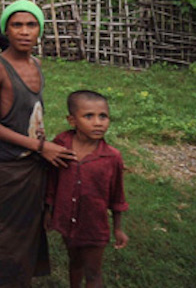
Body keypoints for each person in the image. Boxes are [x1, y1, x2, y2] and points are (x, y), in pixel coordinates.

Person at [0, 0, 76, 286]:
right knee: (4, 229)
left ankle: (21, 278)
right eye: (17, 25)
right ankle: (4, 280)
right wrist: (39, 147)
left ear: (40, 30)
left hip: (33, 163)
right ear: (6, 30)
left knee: (29, 225)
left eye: (31, 24)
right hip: (6, 164)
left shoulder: (36, 63)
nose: (24, 31)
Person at [46, 90, 129, 288]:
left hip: (94, 226)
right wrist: (48, 212)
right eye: (89, 116)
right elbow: (52, 181)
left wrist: (118, 228)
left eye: (103, 116)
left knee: (93, 272)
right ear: (72, 120)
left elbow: (117, 195)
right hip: (66, 220)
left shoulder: (111, 157)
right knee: (74, 262)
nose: (98, 122)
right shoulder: (61, 145)